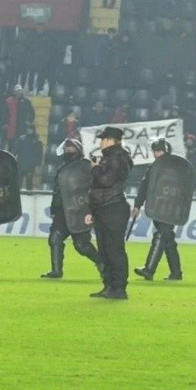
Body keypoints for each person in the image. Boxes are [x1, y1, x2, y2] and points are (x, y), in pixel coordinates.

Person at [42, 139, 103, 279]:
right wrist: (53, 208)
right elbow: (57, 191)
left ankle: (102, 263)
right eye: (66, 148)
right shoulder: (62, 168)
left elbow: (95, 186)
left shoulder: (87, 166)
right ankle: (56, 271)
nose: (68, 151)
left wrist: (91, 209)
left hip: (80, 210)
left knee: (81, 245)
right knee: (55, 238)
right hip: (62, 211)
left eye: (71, 148)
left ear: (78, 150)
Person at [85, 126, 133, 300]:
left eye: (103, 139)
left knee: (114, 249)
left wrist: (95, 168)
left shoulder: (116, 159)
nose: (100, 142)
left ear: (110, 141)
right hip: (105, 208)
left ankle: (118, 288)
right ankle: (110, 286)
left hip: (113, 208)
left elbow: (105, 181)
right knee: (105, 250)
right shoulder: (114, 158)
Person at [132, 138, 184, 281]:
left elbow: (144, 187)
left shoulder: (159, 167)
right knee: (168, 241)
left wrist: (138, 204)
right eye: (154, 151)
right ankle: (176, 272)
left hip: (167, 209)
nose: (155, 154)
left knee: (161, 236)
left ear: (165, 151)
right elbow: (144, 187)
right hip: (164, 208)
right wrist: (137, 204)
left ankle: (149, 269)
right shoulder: (172, 167)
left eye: (158, 151)